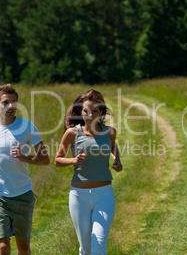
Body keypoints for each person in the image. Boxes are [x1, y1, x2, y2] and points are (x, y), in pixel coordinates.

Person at [0, 84, 49, 255]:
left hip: (22, 194)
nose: (11, 106)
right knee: (2, 246)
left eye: (14, 102)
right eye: (5, 102)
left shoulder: (27, 127)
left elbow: (45, 159)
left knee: (23, 248)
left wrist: (25, 158)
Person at [55, 89, 123, 255]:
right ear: (80, 111)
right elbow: (57, 160)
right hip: (79, 196)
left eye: (95, 111)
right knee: (85, 250)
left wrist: (117, 160)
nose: (90, 115)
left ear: (101, 112)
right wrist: (73, 160)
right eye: (86, 110)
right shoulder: (72, 133)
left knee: (99, 245)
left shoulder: (110, 131)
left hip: (104, 194)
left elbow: (112, 146)